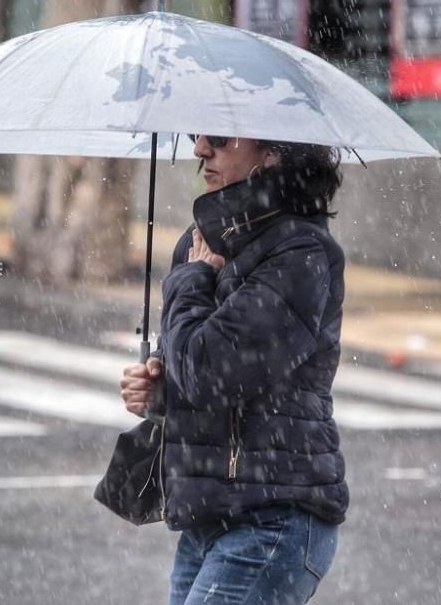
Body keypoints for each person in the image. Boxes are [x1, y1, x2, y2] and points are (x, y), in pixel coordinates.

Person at [119, 133, 348, 604]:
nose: (202, 149)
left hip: (273, 520)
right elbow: (197, 372)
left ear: (273, 152)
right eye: (196, 135)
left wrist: (193, 281)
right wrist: (158, 392)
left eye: (220, 138)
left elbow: (210, 371)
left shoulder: (299, 253)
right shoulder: (201, 241)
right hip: (209, 516)